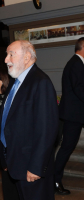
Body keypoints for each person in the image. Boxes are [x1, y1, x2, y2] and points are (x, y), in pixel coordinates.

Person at [0, 40, 59, 200]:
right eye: (6, 55)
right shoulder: (17, 81)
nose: (6, 60)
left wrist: (36, 167)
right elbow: (12, 111)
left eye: (11, 54)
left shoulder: (40, 82)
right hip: (16, 163)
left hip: (31, 167)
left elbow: (47, 130)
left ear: (26, 57)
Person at [54, 37, 84, 195]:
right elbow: (79, 89)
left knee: (66, 148)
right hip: (74, 115)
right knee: (66, 148)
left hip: (76, 114)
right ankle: (55, 181)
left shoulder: (77, 63)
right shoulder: (76, 64)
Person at [0, 66, 19, 200]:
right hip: (2, 148)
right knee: (7, 186)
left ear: (2, 79)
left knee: (13, 187)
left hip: (12, 149)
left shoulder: (11, 97)